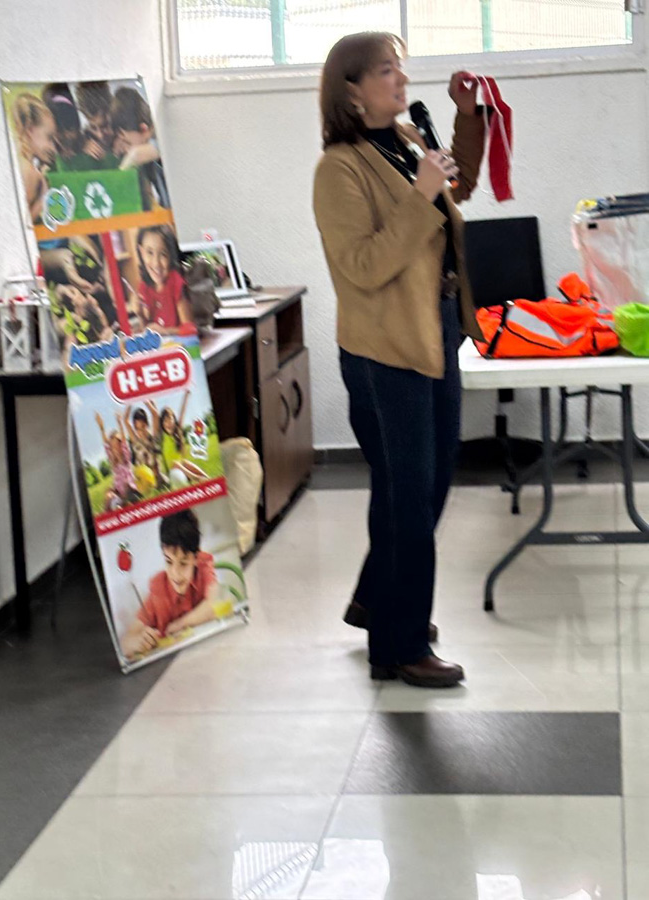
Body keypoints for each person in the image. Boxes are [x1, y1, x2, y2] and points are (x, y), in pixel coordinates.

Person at [313, 33, 486, 689]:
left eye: (400, 69)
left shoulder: (407, 142)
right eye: (386, 70)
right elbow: (361, 266)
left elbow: (458, 188)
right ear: (352, 89)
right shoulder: (339, 169)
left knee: (419, 485)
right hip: (384, 348)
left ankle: (376, 600)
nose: (401, 80)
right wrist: (419, 195)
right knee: (411, 493)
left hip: (436, 329)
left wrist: (466, 118)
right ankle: (399, 645)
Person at [121, 509, 218, 659]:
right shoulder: (158, 588)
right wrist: (138, 642)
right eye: (169, 562)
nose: (175, 573)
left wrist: (179, 624)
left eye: (183, 563)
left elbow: (214, 603)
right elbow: (125, 642)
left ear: (196, 558)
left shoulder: (203, 565)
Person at [110, 86, 170, 208]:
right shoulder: (151, 163)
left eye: (127, 143)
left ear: (143, 129)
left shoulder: (165, 136)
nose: (127, 150)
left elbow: (136, 154)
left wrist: (122, 172)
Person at [136, 226, 192, 332]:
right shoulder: (144, 286)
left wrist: (164, 332)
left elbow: (190, 329)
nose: (156, 263)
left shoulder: (176, 282)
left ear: (171, 256)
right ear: (141, 252)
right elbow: (149, 328)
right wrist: (140, 315)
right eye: (149, 252)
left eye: (163, 254)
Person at [11, 93, 56, 223]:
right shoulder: (31, 173)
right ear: (30, 131)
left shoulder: (21, 163)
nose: (53, 148)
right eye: (49, 138)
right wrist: (43, 197)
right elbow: (23, 223)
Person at [148, 394, 209, 485]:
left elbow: (182, 412)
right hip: (172, 473)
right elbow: (155, 415)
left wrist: (186, 395)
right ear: (162, 424)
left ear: (174, 420)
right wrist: (147, 402)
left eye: (170, 419)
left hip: (183, 469)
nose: (168, 423)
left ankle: (207, 478)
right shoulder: (162, 436)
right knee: (175, 463)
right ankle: (196, 478)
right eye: (165, 421)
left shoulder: (177, 432)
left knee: (185, 462)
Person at [95, 412, 141, 510]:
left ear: (121, 446)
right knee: (108, 494)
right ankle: (110, 512)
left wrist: (120, 424)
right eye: (112, 447)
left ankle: (123, 505)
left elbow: (124, 441)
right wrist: (101, 427)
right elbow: (106, 445)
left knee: (126, 491)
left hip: (131, 492)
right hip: (119, 494)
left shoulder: (126, 457)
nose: (114, 449)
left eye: (116, 445)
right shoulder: (113, 461)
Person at [74, 81, 119, 168]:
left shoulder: (126, 132)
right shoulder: (82, 140)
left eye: (105, 126)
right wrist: (82, 153)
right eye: (93, 127)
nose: (100, 135)